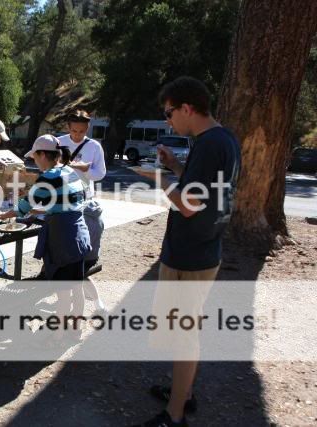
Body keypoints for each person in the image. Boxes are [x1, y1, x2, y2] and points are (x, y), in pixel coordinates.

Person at [131, 76, 241, 427]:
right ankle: (184, 393)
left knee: (183, 334)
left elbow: (190, 205)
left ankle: (175, 415)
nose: (168, 121)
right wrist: (175, 168)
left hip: (191, 255)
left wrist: (158, 180)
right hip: (203, 249)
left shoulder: (209, 145)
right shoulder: (221, 140)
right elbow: (203, 190)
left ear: (187, 108)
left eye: (169, 113)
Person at [0, 134, 91, 344]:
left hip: (63, 239)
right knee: (77, 287)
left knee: (63, 293)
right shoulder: (69, 171)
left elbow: (23, 206)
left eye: (35, 156)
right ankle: (76, 330)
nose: (34, 161)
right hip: (79, 235)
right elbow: (67, 201)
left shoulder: (48, 177)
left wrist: (0, 215)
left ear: (43, 154)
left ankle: (57, 337)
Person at [58, 110, 107, 313]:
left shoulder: (94, 146)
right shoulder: (58, 142)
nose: (78, 135)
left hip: (84, 203)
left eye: (82, 131)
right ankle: (70, 298)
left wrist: (85, 169)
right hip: (62, 201)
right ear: (68, 127)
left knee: (77, 258)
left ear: (88, 129)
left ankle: (92, 303)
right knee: (68, 258)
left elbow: (100, 173)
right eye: (74, 130)